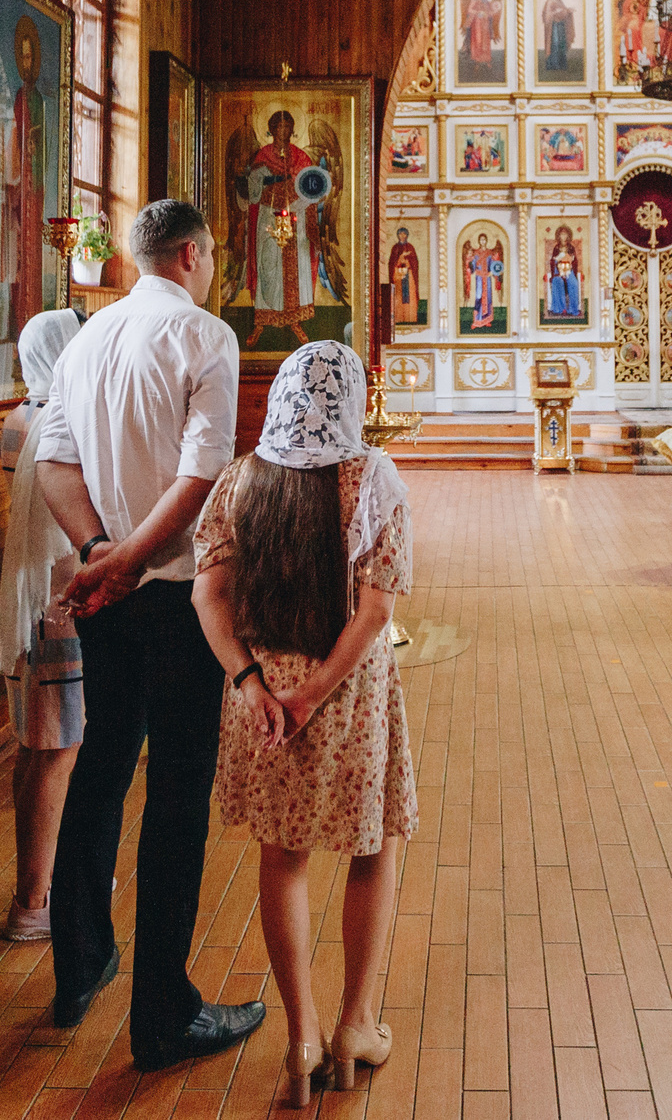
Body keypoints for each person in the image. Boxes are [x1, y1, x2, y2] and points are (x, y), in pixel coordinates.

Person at [35, 200, 264, 1066]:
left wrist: (98, 551)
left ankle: (79, 966)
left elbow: (54, 461)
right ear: (192, 254)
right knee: (176, 789)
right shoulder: (205, 336)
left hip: (106, 589)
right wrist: (130, 559)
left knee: (100, 764)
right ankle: (164, 1014)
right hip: (176, 596)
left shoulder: (87, 337)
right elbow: (202, 474)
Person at [191, 342, 416, 1107]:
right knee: (373, 842)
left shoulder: (242, 477)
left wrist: (251, 681)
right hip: (346, 690)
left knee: (283, 857)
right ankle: (356, 1026)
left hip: (263, 695)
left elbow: (207, 595)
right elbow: (376, 609)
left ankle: (301, 1037)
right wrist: (316, 691)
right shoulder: (370, 476)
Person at [0, 308, 82, 941]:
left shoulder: (17, 419)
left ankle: (48, 878)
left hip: (27, 600)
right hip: (60, 603)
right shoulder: (64, 420)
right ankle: (32, 902)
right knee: (57, 749)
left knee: (33, 748)